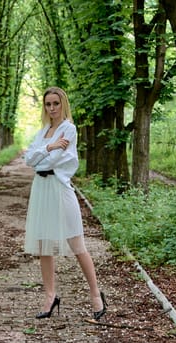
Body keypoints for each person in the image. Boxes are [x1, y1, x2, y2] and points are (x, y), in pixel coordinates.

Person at [24, 86, 107, 322]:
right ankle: (50, 296)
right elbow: (29, 160)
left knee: (77, 243)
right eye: (48, 104)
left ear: (63, 105)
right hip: (40, 190)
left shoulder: (68, 129)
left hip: (59, 190)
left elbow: (54, 160)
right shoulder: (43, 132)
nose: (52, 108)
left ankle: (95, 295)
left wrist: (43, 154)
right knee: (44, 246)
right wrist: (48, 146)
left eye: (56, 104)